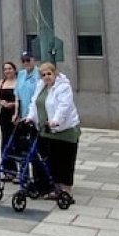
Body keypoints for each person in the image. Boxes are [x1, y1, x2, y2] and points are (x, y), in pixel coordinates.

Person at [25, 62, 80, 200]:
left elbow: (64, 106)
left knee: (66, 161)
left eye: (49, 74)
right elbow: (34, 103)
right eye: (43, 75)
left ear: (55, 73)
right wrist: (30, 117)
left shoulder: (63, 87)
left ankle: (67, 190)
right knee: (52, 160)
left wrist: (56, 121)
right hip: (46, 130)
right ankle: (56, 189)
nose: (46, 77)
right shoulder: (41, 86)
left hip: (64, 130)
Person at [0, 61, 18, 180]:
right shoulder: (2, 82)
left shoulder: (19, 82)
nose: (7, 71)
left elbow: (22, 99)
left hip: (14, 114)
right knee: (5, 141)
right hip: (4, 114)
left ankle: (17, 170)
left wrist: (13, 104)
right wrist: (2, 102)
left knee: (15, 142)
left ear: (14, 70)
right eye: (5, 69)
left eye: (10, 68)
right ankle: (7, 170)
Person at [14, 51, 40, 120]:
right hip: (23, 115)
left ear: (33, 60)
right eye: (23, 61)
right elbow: (17, 96)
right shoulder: (20, 74)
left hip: (37, 114)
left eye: (28, 60)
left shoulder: (40, 73)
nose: (25, 63)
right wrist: (16, 114)